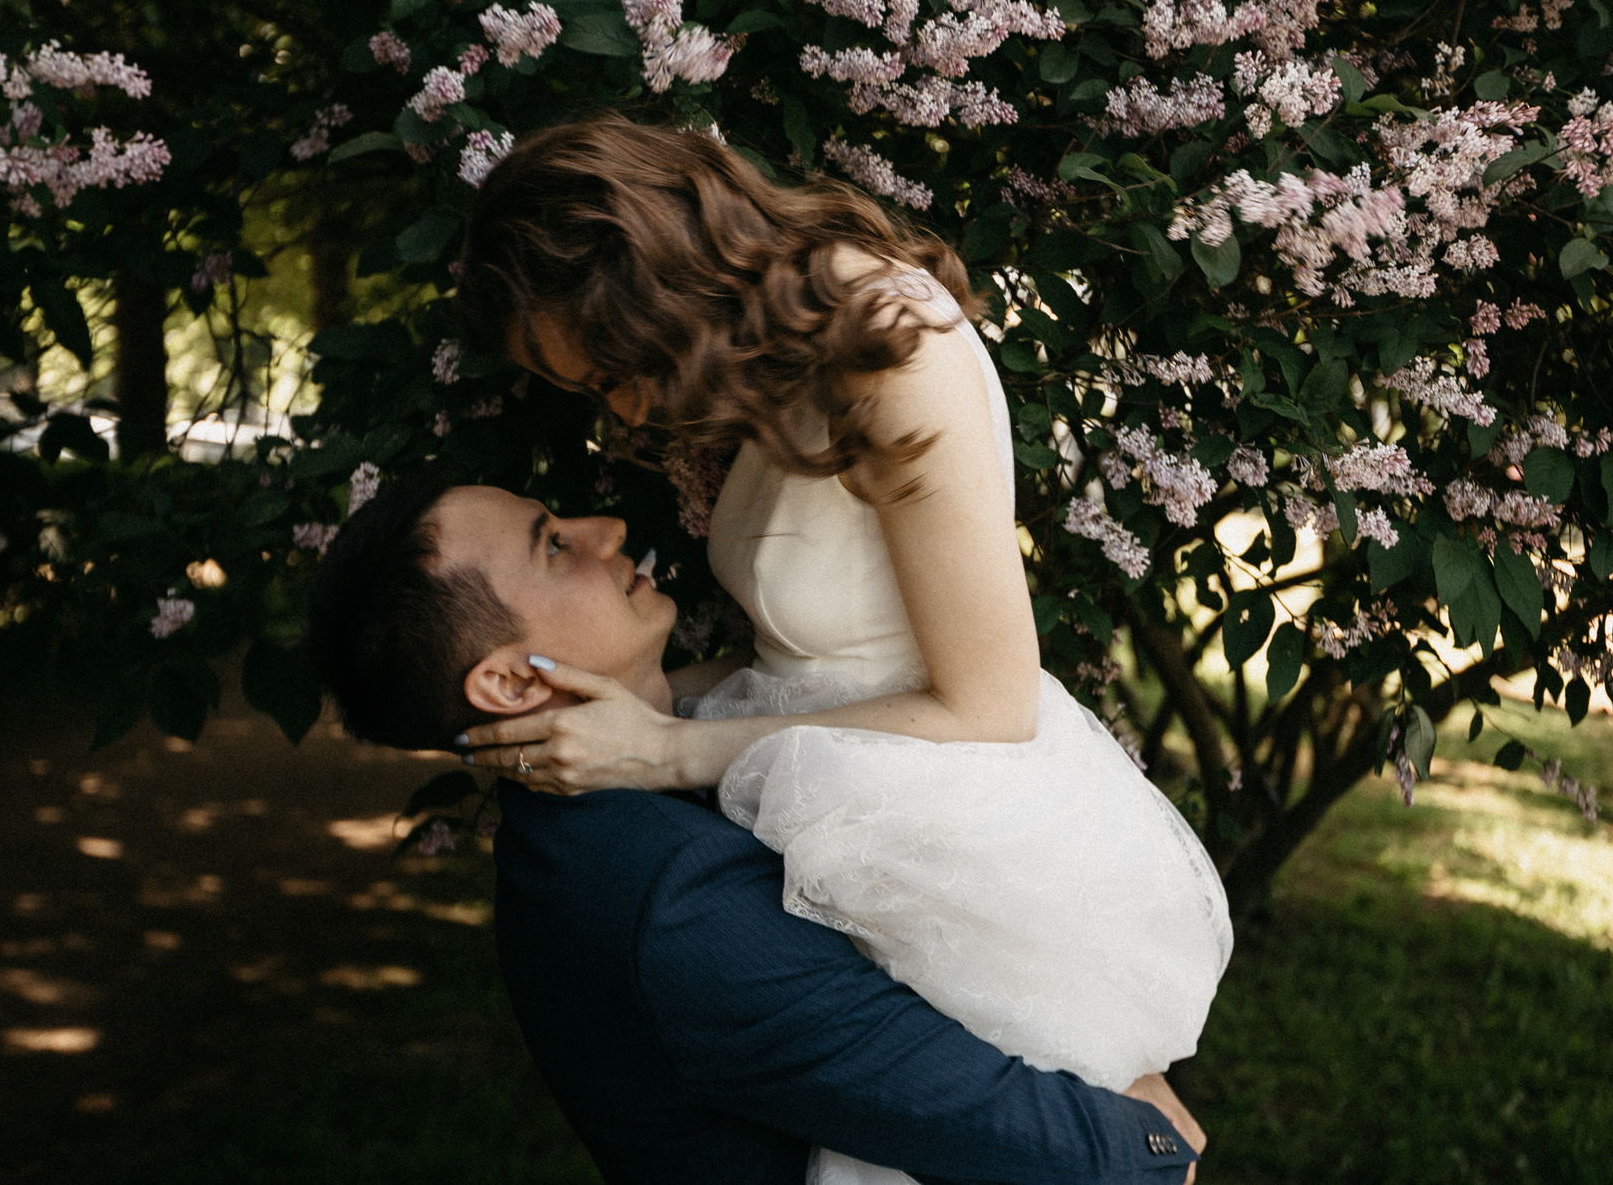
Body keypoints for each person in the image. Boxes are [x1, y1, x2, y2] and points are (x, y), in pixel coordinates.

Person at [447, 116, 1232, 1185]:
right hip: (848, 801)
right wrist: (626, 706)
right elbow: (817, 651)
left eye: (608, 375)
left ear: (646, 291)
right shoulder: (787, 349)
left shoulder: (889, 345)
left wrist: (664, 753)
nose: (623, 410)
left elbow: (985, 707)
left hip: (955, 833)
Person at [308, 473, 1205, 1183]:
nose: (605, 529)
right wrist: (1149, 1145)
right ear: (508, 685)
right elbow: (1011, 1129)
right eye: (554, 545)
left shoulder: (612, 792)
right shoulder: (667, 900)